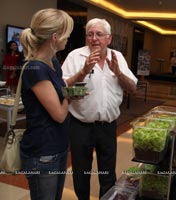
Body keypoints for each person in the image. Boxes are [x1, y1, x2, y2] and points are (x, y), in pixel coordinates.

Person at [62, 18, 138, 198]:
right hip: (81, 126)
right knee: (81, 173)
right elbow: (62, 89)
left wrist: (118, 73)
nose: (94, 38)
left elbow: (133, 88)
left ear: (109, 39)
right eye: (90, 34)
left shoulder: (117, 56)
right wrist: (84, 71)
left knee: (107, 173)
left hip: (108, 126)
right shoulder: (75, 56)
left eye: (99, 34)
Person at [19, 8, 74, 200]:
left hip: (57, 147)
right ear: (55, 37)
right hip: (42, 152)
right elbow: (59, 114)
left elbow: (59, 90)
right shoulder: (35, 68)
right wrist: (71, 96)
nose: (68, 39)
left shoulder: (53, 63)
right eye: (66, 35)